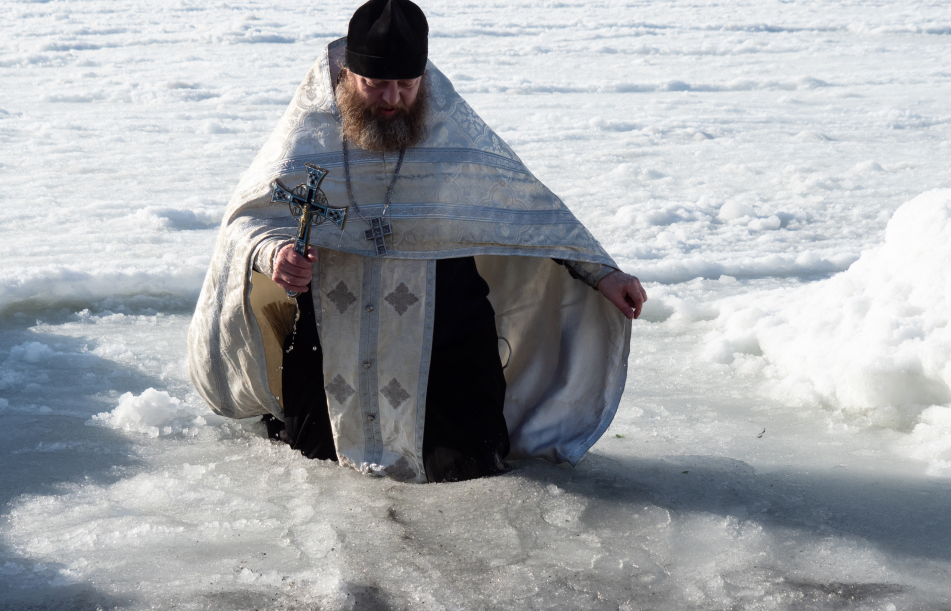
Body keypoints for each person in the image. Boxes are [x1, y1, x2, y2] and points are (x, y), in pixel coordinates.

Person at [188, 0, 646, 483]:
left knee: (472, 476)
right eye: (375, 84)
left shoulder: (449, 128)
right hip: (331, 341)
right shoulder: (309, 134)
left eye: (407, 84)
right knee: (328, 479)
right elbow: (248, 219)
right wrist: (274, 255)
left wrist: (602, 272)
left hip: (450, 340)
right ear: (347, 75)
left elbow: (526, 211)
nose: (392, 99)